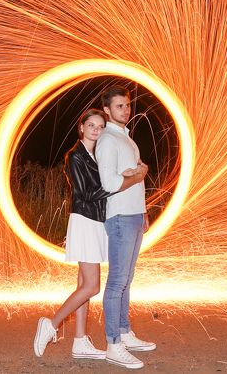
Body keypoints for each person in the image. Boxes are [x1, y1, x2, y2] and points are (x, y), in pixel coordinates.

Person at [34, 108, 147, 361]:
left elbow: (102, 184)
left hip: (96, 222)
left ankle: (80, 341)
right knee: (93, 286)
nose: (96, 129)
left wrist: (121, 177)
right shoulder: (75, 156)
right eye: (91, 125)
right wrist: (122, 182)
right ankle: (50, 324)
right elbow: (88, 193)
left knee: (83, 285)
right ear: (81, 127)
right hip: (84, 221)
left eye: (100, 126)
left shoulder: (94, 155)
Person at [95, 86, 157, 369]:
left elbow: (135, 176)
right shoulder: (108, 140)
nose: (126, 110)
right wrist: (137, 175)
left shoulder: (128, 140)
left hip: (133, 215)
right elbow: (109, 185)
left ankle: (124, 332)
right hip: (119, 217)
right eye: (119, 106)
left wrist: (143, 210)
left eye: (127, 105)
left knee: (127, 278)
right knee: (117, 281)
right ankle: (113, 344)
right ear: (107, 110)